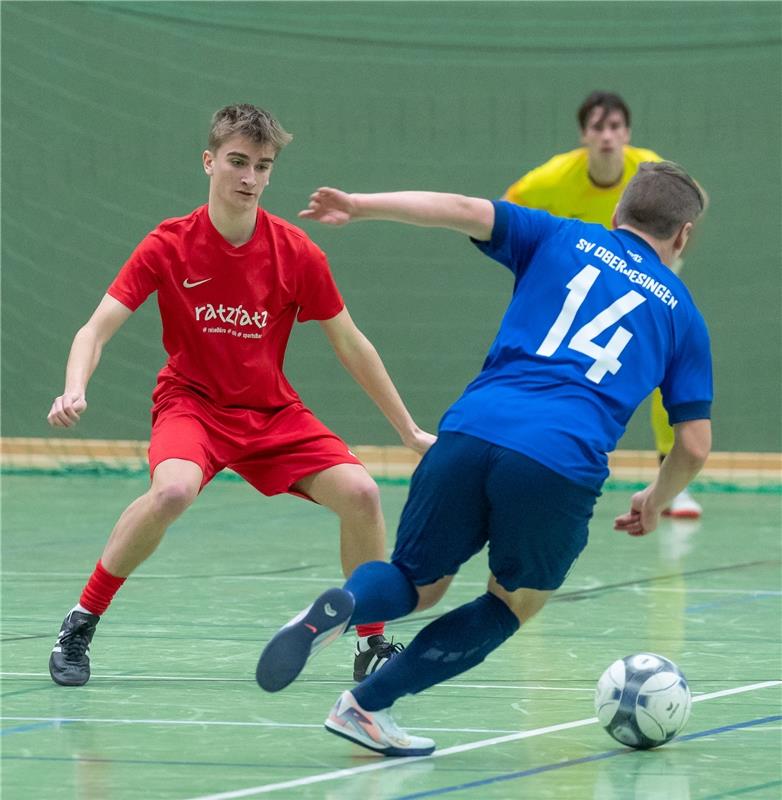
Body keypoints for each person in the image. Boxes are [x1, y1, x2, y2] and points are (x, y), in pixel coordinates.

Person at [255, 161, 712, 757]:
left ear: (618, 214)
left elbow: (464, 208)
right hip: (558, 460)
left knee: (414, 582)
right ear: (682, 237)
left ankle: (344, 607)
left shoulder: (561, 235)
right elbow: (695, 444)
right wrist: (656, 500)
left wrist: (360, 204)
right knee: (510, 602)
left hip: (469, 431)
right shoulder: (682, 314)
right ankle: (364, 707)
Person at [46, 104, 435, 688]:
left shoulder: (296, 252)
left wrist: (408, 431)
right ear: (209, 162)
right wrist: (75, 386)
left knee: (362, 493)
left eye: (262, 165)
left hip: (271, 412)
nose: (249, 177)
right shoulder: (168, 245)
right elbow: (95, 328)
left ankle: (372, 644)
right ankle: (82, 619)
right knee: (173, 490)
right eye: (236, 162)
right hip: (192, 406)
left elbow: (352, 345)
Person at [503, 90, 703, 519]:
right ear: (584, 135)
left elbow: (695, 198)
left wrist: (671, 264)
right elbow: (507, 208)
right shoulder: (553, 177)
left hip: (635, 289)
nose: (608, 136)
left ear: (627, 133)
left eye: (615, 127)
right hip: (581, 288)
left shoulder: (647, 171)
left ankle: (669, 483)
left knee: (664, 373)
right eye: (598, 127)